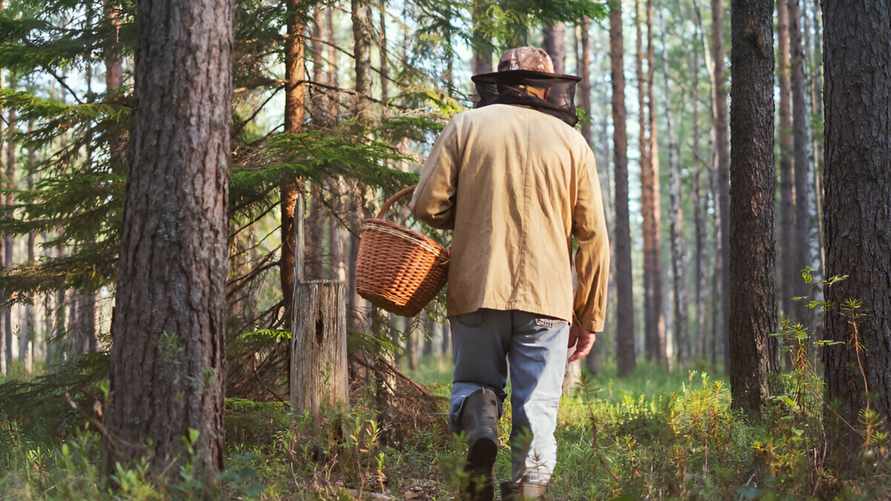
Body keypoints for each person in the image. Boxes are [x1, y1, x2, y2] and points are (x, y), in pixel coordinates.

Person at [411, 47, 610, 500]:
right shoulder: (571, 143)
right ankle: (527, 491)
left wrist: (471, 215)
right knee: (536, 406)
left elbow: (426, 204)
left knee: (474, 384)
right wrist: (590, 315)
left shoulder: (465, 125)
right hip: (547, 297)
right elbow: (593, 236)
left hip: (476, 286)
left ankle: (481, 420)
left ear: (499, 82)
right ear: (545, 86)